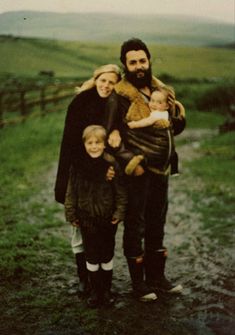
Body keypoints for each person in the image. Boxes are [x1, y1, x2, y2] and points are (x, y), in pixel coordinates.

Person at [113, 38, 186, 301]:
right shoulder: (119, 96)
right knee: (136, 224)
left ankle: (158, 279)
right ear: (125, 65)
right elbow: (115, 136)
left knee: (158, 222)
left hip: (162, 171)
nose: (139, 66)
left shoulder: (160, 90)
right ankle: (139, 285)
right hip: (138, 173)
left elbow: (171, 127)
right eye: (133, 62)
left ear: (149, 60)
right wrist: (132, 162)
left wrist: (177, 115)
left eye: (142, 60)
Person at [54, 64, 122, 295]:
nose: (106, 85)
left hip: (102, 178)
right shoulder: (81, 101)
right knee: (80, 229)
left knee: (99, 230)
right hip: (78, 172)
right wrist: (97, 171)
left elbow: (114, 131)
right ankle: (84, 278)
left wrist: (116, 132)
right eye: (103, 80)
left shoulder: (113, 103)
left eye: (112, 82)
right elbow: (72, 144)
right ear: (96, 79)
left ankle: (99, 280)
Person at [64, 125, 127, 307]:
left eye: (97, 142)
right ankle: (94, 291)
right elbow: (71, 191)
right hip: (86, 218)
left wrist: (119, 212)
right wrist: (71, 212)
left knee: (106, 253)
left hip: (107, 218)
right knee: (91, 255)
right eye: (90, 143)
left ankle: (106, 291)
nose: (94, 146)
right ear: (84, 144)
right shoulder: (78, 164)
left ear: (104, 144)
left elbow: (120, 191)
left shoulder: (111, 163)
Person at [127, 86, 184, 175]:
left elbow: (147, 122)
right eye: (152, 100)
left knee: (149, 156)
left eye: (159, 102)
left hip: (160, 147)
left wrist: (134, 124)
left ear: (167, 106)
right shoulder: (166, 114)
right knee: (173, 155)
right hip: (170, 148)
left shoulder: (157, 114)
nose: (154, 104)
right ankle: (174, 171)